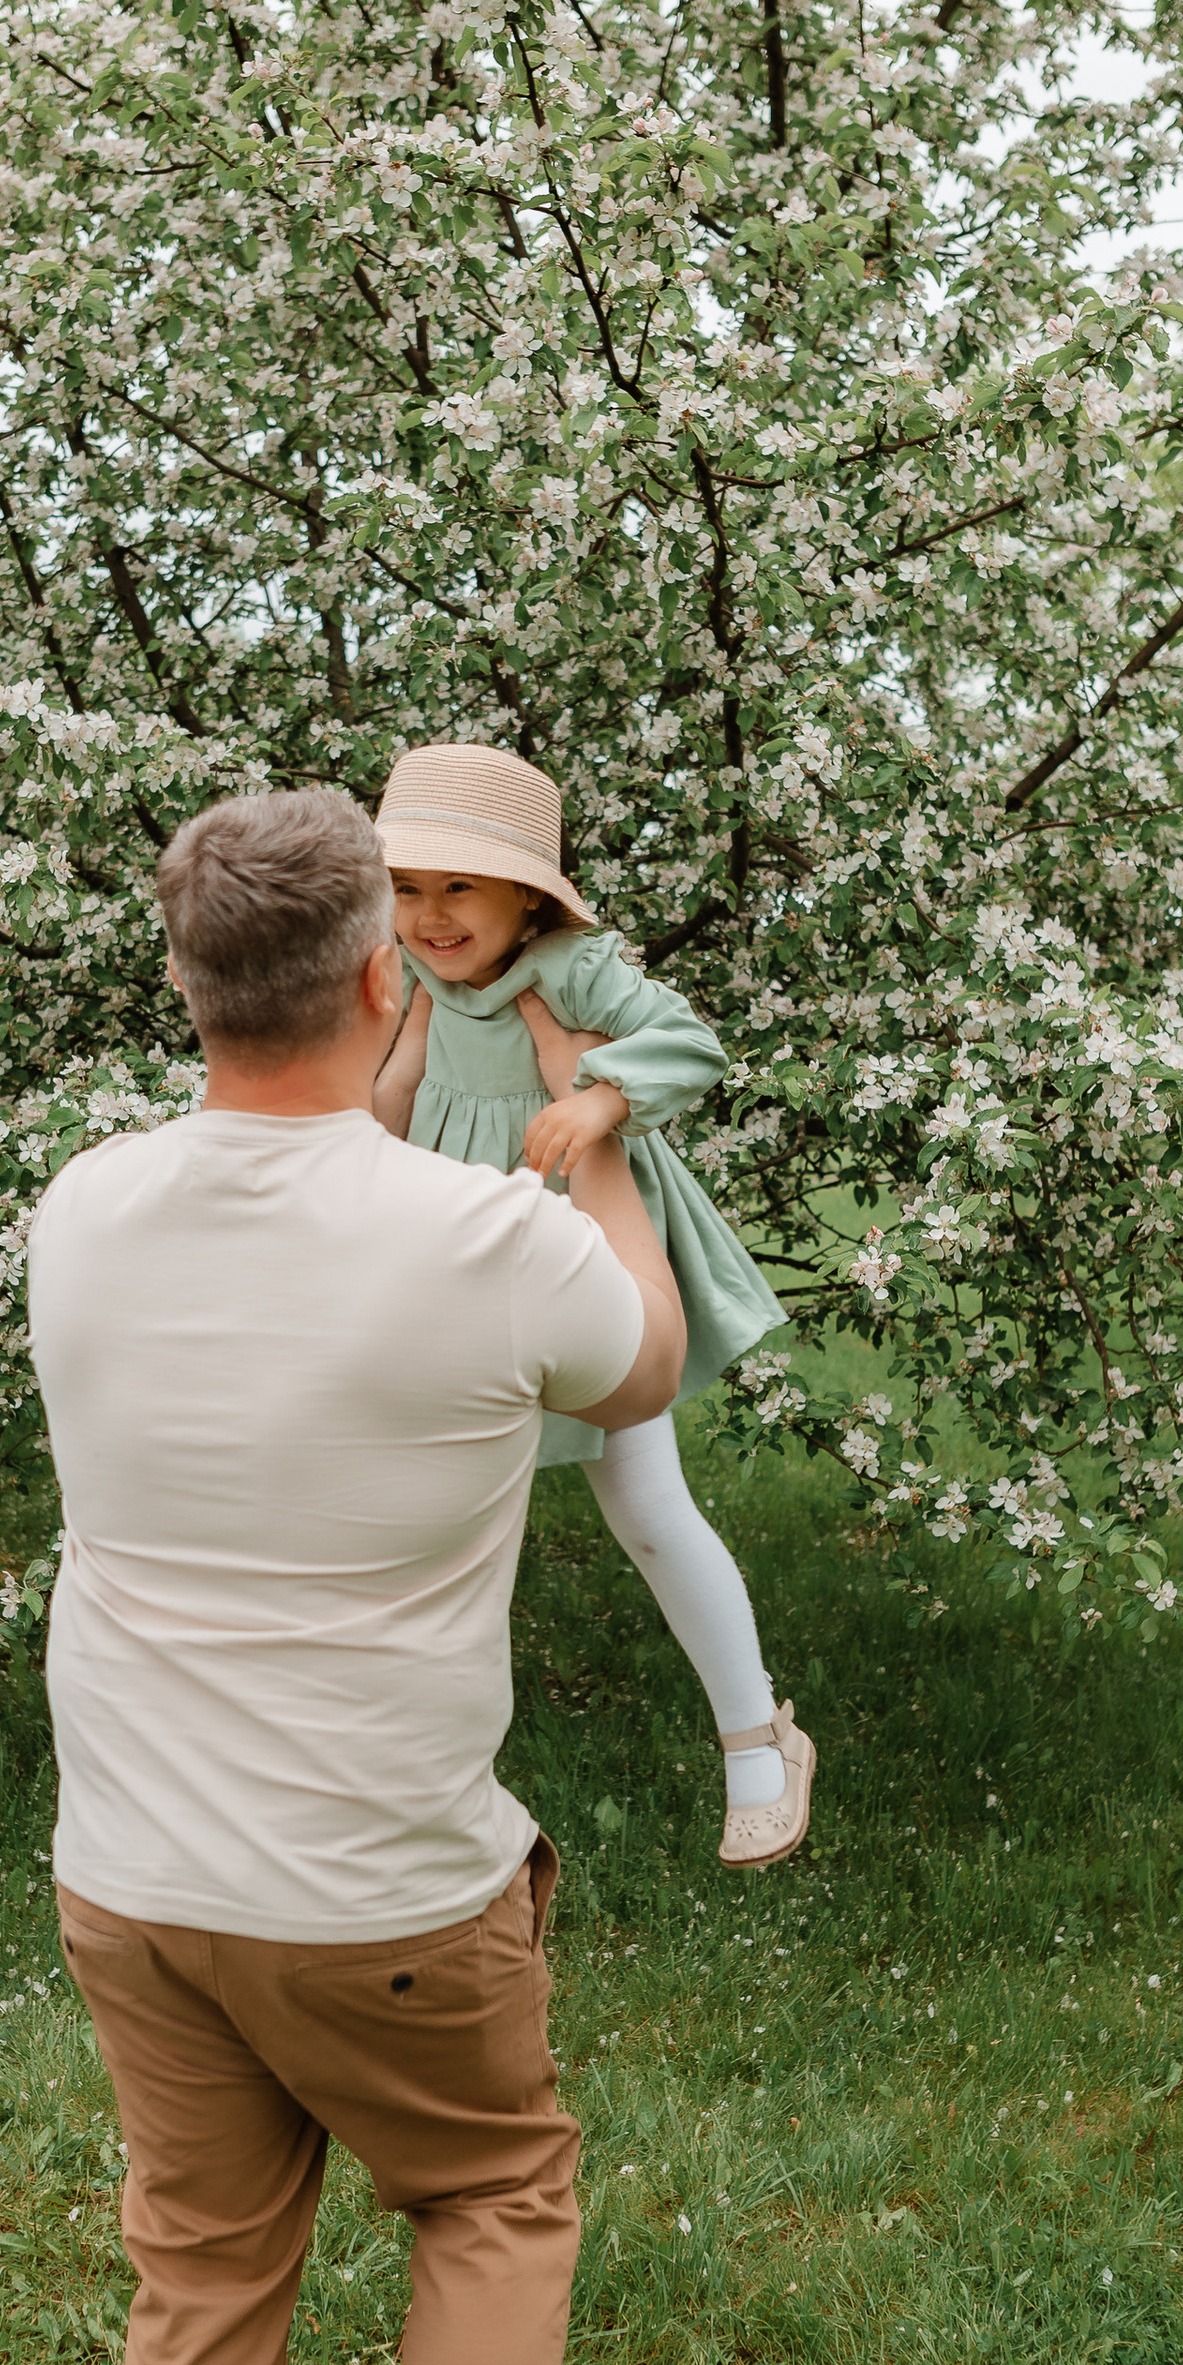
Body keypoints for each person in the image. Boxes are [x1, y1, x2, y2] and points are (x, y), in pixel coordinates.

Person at [25, 785, 688, 2365]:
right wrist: (600, 1132)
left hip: (137, 1875)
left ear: (182, 983)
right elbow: (641, 1366)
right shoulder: (486, 1241)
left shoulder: (84, 1208)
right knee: (490, 2196)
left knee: (203, 2287)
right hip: (386, 1886)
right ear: (386, 974)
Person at [369, 742, 814, 1872]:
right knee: (450, 1511)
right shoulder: (407, 975)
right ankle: (414, 1769)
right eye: (407, 887)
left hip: (585, 1247)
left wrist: (601, 1098)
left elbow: (693, 1043)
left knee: (648, 1504)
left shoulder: (572, 969)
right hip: (458, 1254)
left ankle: (756, 1733)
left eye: (459, 885)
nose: (429, 915)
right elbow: (385, 1098)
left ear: (529, 896)